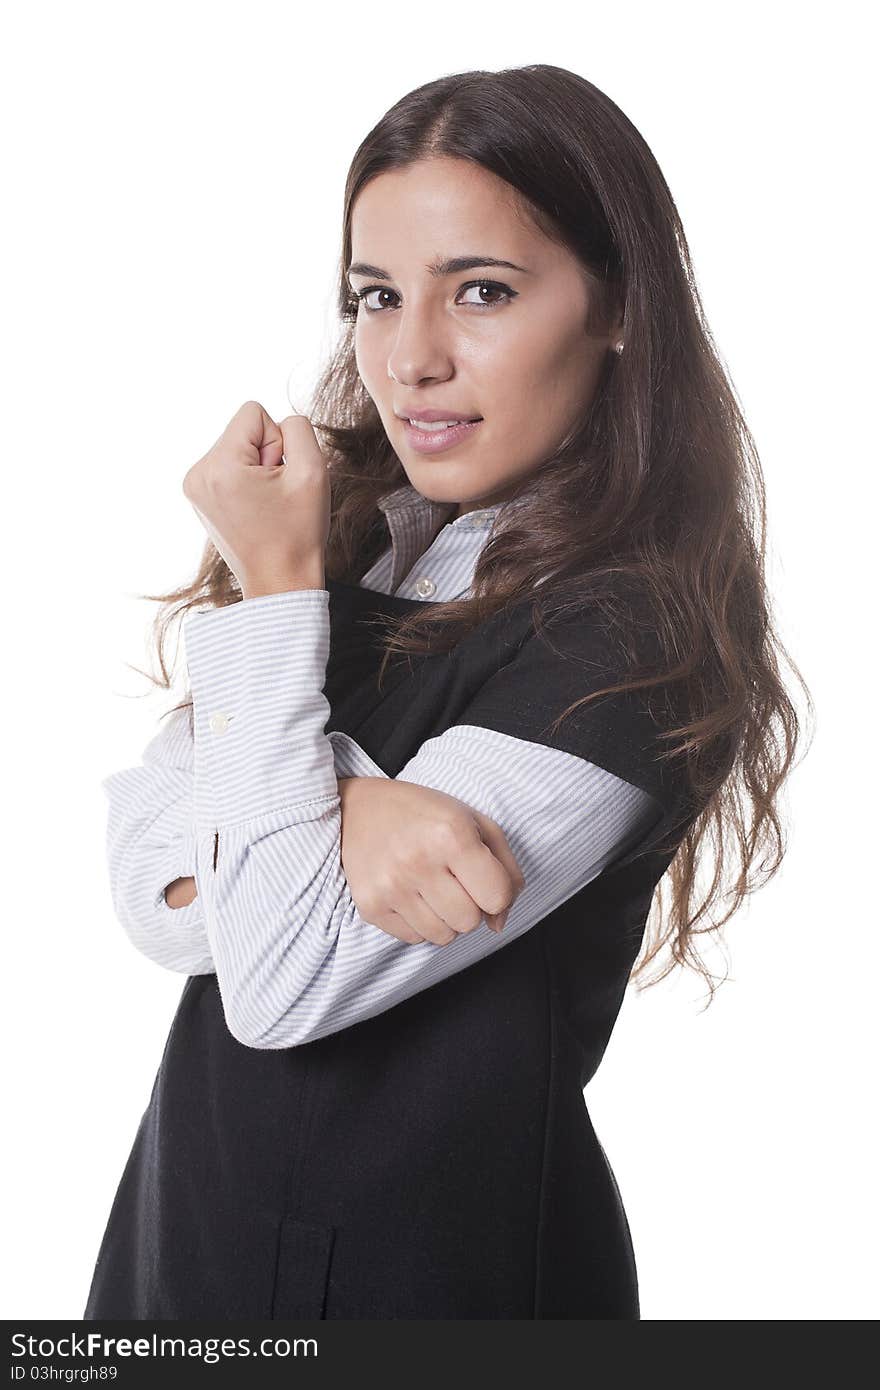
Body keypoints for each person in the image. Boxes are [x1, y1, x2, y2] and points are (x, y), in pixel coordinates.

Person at [83, 64, 809, 1320]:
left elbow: (280, 977)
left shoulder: (632, 632)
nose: (409, 357)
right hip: (189, 1247)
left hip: (427, 1285)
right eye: (376, 295)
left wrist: (273, 614)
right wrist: (357, 805)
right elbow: (154, 888)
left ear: (617, 304)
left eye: (481, 291)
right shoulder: (359, 531)